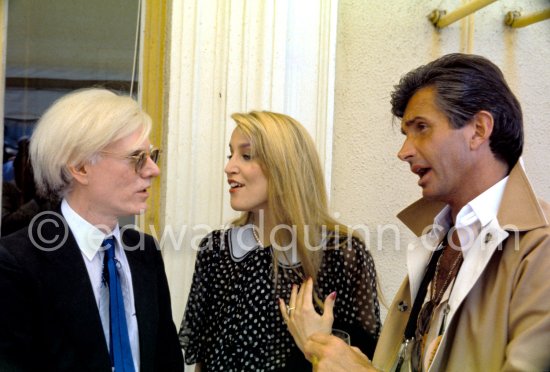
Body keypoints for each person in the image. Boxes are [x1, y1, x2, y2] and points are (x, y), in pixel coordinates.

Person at [283, 53, 550, 371]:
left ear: (479, 129)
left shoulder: (540, 249)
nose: (404, 151)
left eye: (422, 128)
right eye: (406, 133)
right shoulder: (437, 237)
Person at [179, 111, 381, 371]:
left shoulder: (342, 253)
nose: (229, 167)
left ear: (285, 165)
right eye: (231, 154)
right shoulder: (215, 250)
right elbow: (204, 361)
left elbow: (364, 360)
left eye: (247, 155)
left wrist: (319, 342)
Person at [0, 88, 184, 371]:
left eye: (152, 156)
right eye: (137, 158)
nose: (152, 171)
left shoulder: (145, 252)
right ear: (80, 167)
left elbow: (166, 359)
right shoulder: (17, 262)